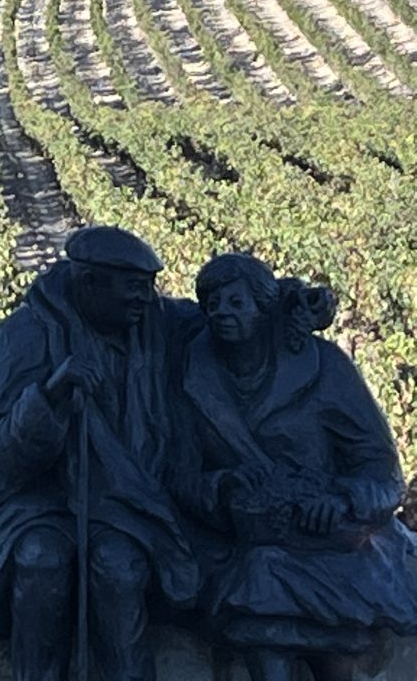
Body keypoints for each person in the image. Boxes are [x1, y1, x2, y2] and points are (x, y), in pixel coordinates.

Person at [0, 225, 202, 681]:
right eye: (132, 290)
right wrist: (50, 395)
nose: (145, 300)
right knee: (41, 561)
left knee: (120, 568)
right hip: (35, 501)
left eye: (148, 289)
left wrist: (288, 303)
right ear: (89, 284)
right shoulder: (23, 336)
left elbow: (226, 316)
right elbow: (1, 453)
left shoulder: (152, 323)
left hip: (124, 502)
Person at [175, 252, 417, 681]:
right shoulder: (194, 377)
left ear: (264, 308)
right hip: (245, 542)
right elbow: (182, 476)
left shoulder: (323, 367)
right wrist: (223, 487)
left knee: (324, 636)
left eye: (235, 304)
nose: (221, 315)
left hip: (334, 543)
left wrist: (341, 498)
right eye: (212, 306)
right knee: (261, 602)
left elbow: (382, 470)